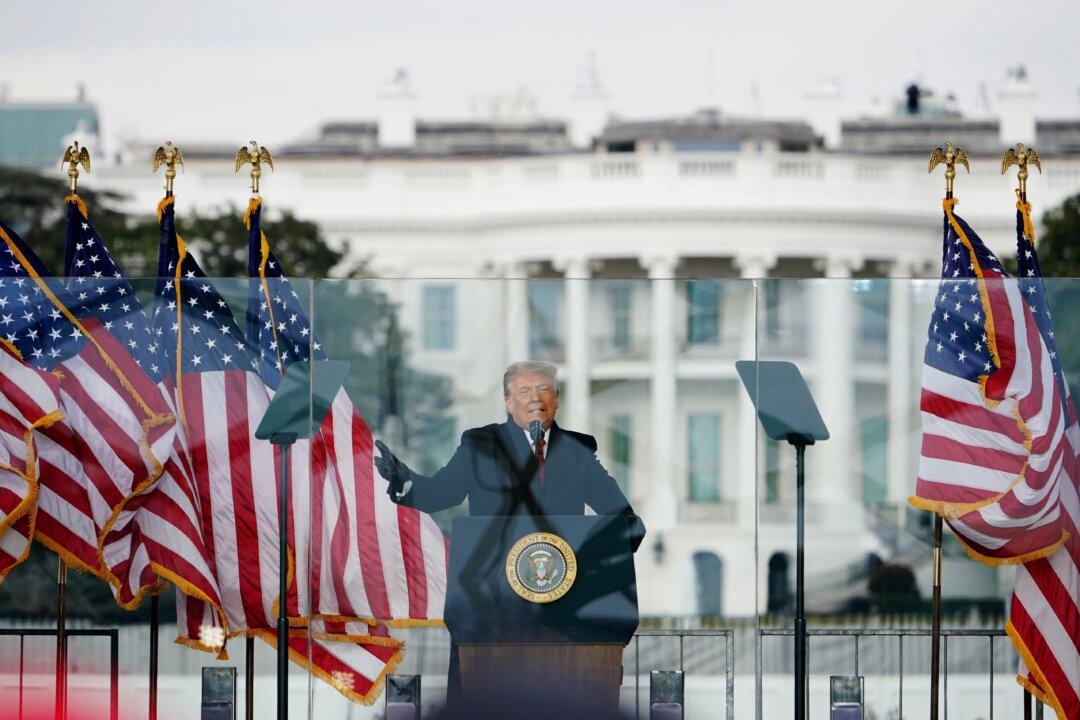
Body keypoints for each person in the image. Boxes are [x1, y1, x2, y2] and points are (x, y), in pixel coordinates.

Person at [375, 360, 645, 548]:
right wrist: (406, 479)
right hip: (494, 587)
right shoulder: (481, 446)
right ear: (509, 403)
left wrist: (615, 537)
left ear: (556, 400)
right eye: (525, 391)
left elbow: (622, 519)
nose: (536, 398)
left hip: (564, 587)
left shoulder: (578, 452)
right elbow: (440, 493)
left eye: (544, 390)